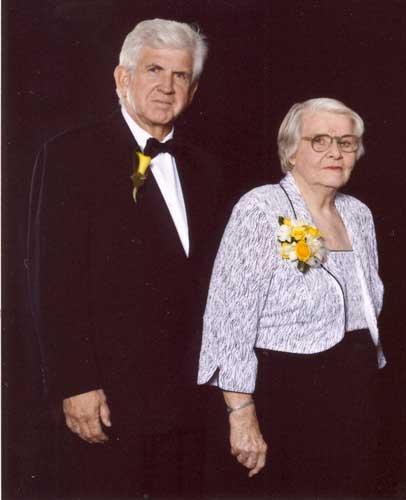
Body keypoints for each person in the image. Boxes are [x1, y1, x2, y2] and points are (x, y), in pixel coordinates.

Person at [27, 18, 225, 498]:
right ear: (122, 78)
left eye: (180, 76)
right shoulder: (71, 154)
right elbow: (54, 281)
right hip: (109, 399)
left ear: (193, 90)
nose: (166, 86)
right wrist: (75, 385)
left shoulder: (204, 166)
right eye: (154, 70)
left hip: (187, 398)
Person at [198, 97, 385, 498]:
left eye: (347, 142)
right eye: (319, 140)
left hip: (354, 392)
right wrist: (241, 413)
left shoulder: (359, 215)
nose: (335, 151)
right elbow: (228, 319)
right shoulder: (261, 208)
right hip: (285, 396)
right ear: (291, 151)